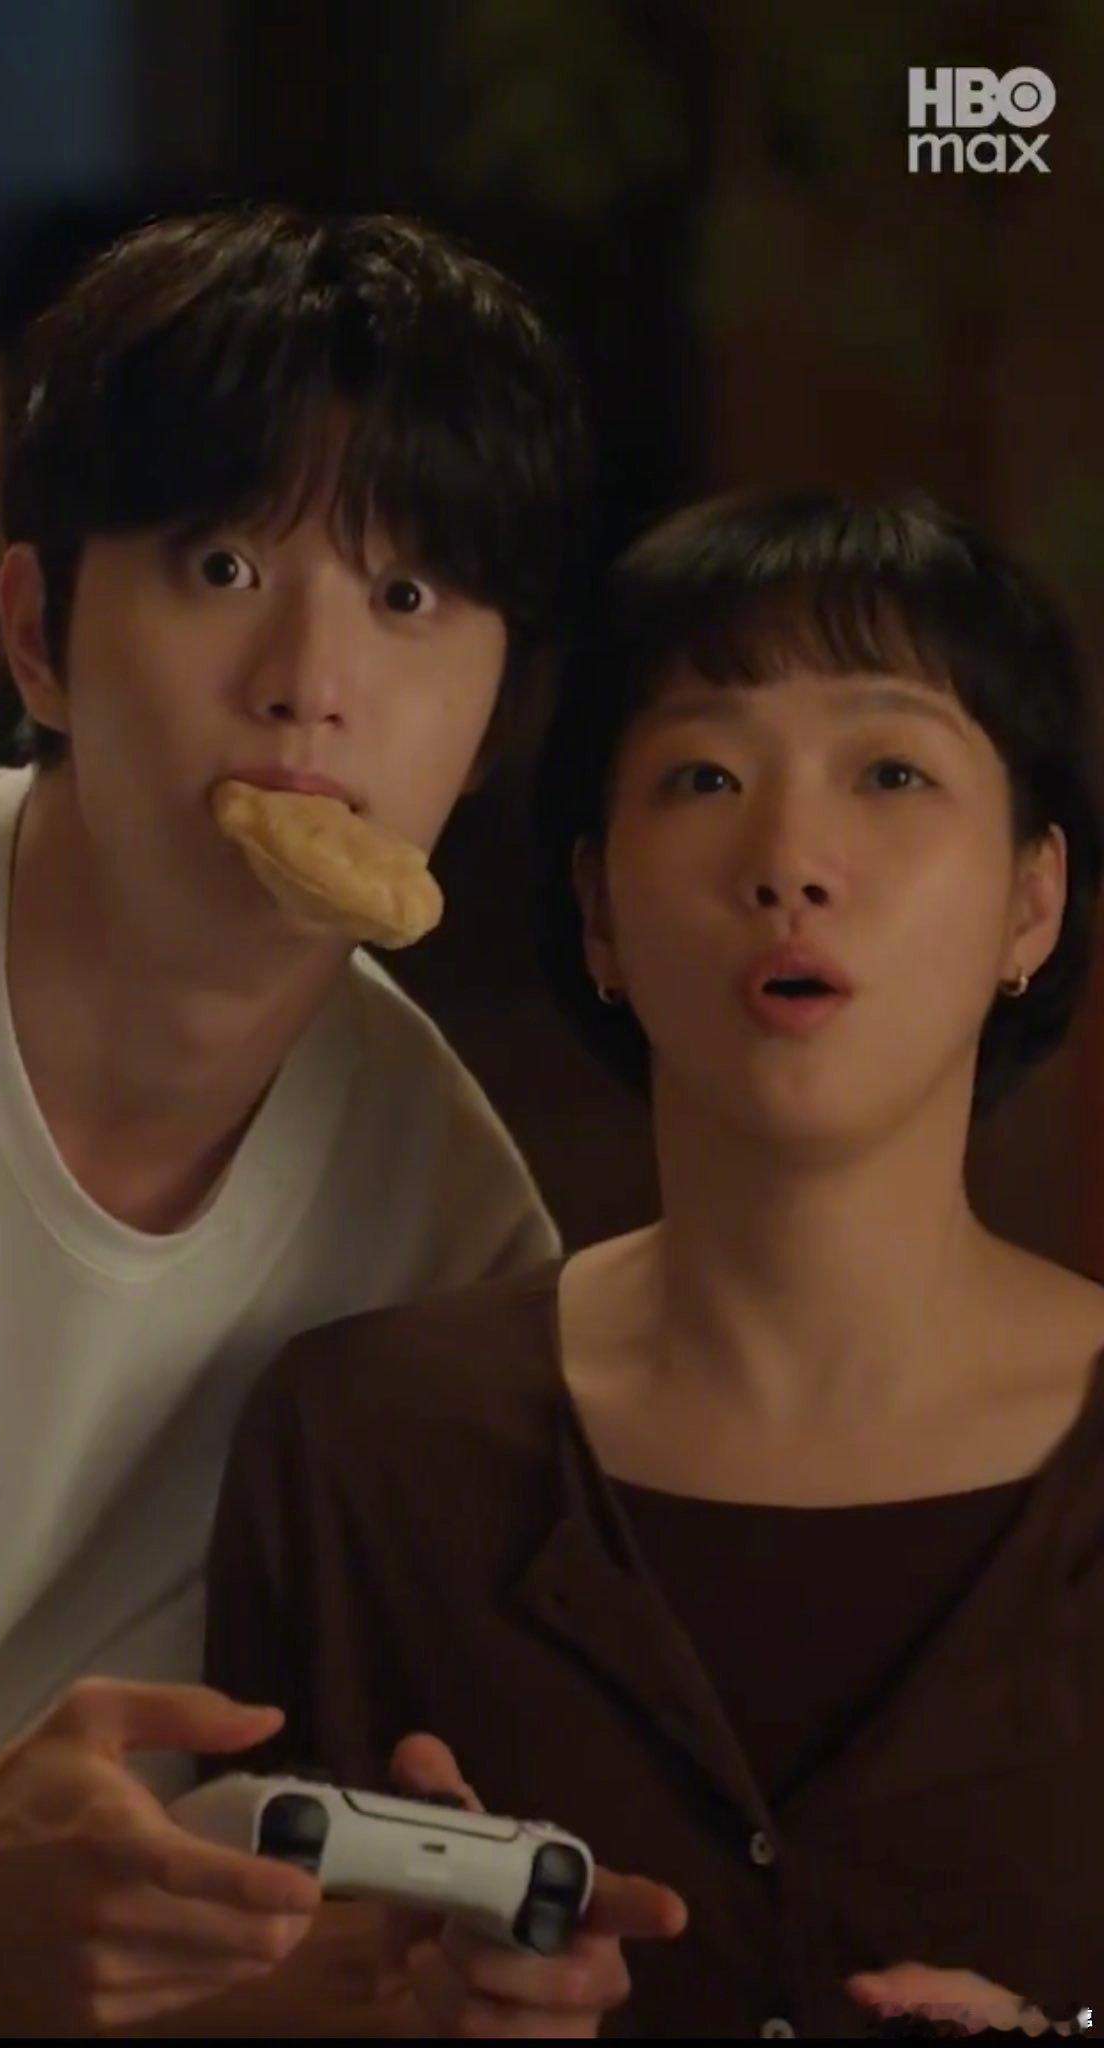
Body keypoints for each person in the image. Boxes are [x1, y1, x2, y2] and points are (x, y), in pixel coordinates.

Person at [205, 490, 1104, 2038]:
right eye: (704, 776)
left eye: (891, 773)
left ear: (1034, 898)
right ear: (597, 911)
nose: (790, 860)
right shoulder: (364, 1445)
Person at [0, 203, 591, 2035]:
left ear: (494, 717)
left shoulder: (457, 1241)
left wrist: (364, 1978)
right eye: (223, 563)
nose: (312, 681)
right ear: (40, 636)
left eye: (407, 598)